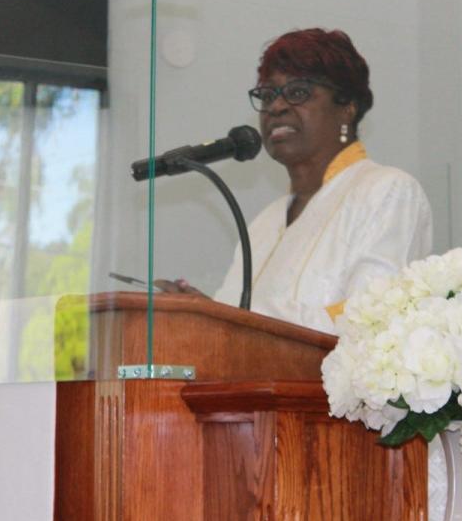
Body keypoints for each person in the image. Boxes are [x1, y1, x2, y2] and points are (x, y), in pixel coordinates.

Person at [157, 28, 432, 335]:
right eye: (267, 94)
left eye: (298, 92)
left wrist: (226, 316)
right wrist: (201, 313)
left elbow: (370, 321)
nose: (276, 107)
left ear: (347, 107)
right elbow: (232, 327)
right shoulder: (264, 223)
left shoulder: (386, 192)